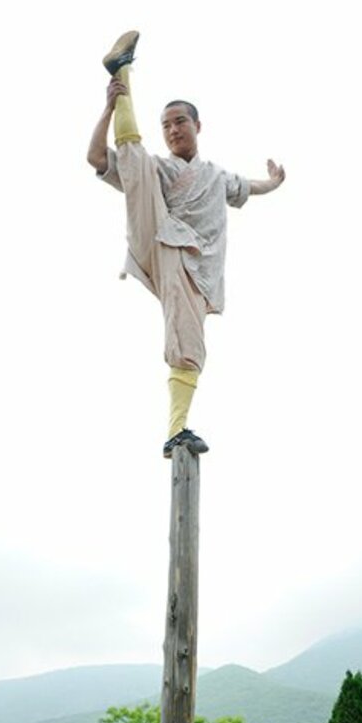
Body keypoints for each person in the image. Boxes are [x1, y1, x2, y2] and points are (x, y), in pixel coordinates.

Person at [87, 30, 286, 457]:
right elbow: (97, 159)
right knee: (136, 161)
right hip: (159, 235)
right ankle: (124, 74)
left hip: (198, 267)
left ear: (197, 125)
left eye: (180, 122)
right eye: (166, 125)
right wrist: (109, 108)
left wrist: (273, 182)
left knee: (190, 345)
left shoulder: (216, 175)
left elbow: (246, 187)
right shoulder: (157, 168)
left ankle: (178, 428)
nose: (173, 130)